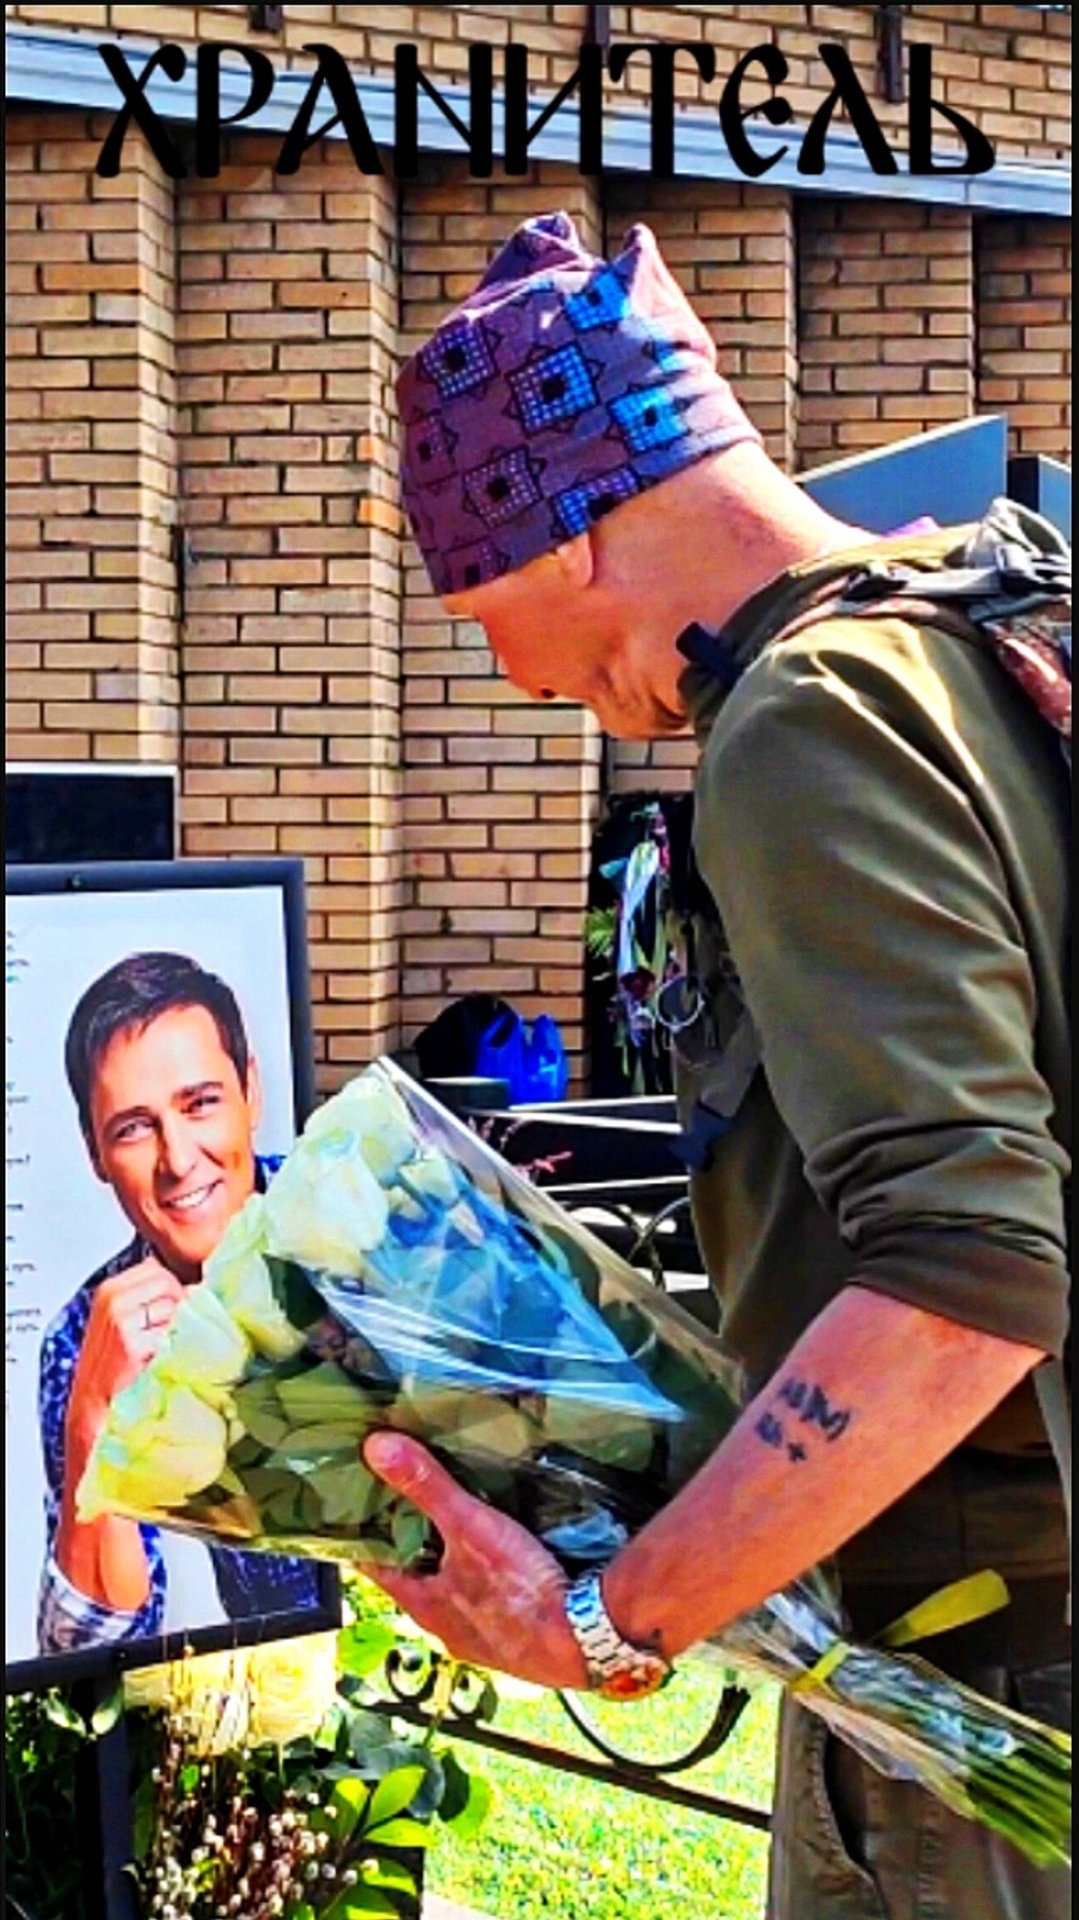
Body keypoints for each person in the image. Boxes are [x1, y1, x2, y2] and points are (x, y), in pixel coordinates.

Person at [359, 213, 1071, 1919]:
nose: (512, 676)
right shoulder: (995, 613)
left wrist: (611, 1620)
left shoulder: (805, 717)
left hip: (976, 1711)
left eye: (478, 614)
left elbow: (962, 1281)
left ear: (572, 532)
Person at [38, 951, 321, 1653]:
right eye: (133, 1127)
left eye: (200, 1104)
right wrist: (94, 1422)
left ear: (251, 1091)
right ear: (95, 1153)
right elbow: (92, 1659)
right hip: (282, 1690)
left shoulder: (358, 1222)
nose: (178, 1159)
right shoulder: (85, 1339)